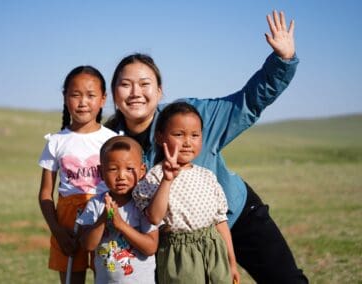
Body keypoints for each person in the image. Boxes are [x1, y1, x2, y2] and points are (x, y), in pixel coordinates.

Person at [105, 10, 308, 284]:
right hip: (176, 244)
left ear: (160, 90)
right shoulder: (107, 142)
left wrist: (282, 60)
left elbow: (246, 102)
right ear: (114, 93)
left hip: (235, 218)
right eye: (125, 85)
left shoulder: (189, 116)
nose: (135, 92)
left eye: (144, 84)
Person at [132, 102, 240, 284]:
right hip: (180, 257)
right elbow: (154, 217)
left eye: (195, 135)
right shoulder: (154, 178)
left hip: (214, 250)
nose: (188, 142)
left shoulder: (207, 176)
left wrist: (232, 262)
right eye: (179, 134)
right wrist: (167, 180)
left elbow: (221, 222)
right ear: (160, 137)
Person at [38, 65, 116, 284]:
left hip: (105, 218)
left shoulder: (111, 140)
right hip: (67, 223)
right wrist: (58, 232)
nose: (83, 102)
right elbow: (45, 194)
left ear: (103, 99)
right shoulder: (56, 142)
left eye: (91, 95)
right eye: (75, 95)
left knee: (109, 277)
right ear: (65, 98)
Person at [77, 136, 159, 283]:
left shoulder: (143, 204)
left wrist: (120, 224)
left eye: (129, 169)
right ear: (101, 171)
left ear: (141, 171)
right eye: (113, 169)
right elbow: (87, 245)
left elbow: (151, 247)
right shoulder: (96, 204)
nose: (121, 176)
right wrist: (103, 218)